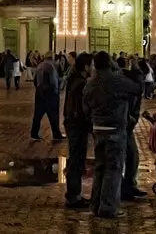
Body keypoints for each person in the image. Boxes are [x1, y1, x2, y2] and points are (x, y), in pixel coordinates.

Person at [83, 51, 141, 219]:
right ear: (109, 63)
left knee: (100, 167)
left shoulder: (91, 83)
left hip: (98, 129)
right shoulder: (116, 80)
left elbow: (85, 105)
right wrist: (135, 67)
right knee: (113, 169)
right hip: (115, 128)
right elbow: (137, 88)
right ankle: (108, 206)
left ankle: (95, 205)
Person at [63, 52, 93, 208]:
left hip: (73, 123)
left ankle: (75, 193)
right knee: (76, 159)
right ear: (86, 67)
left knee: (77, 158)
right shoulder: (80, 83)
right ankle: (73, 195)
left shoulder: (75, 80)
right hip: (77, 125)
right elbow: (79, 107)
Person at [118, 56, 146, 200]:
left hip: (127, 124)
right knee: (124, 156)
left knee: (132, 156)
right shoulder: (126, 81)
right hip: (122, 124)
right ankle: (123, 188)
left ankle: (129, 185)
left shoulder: (132, 81)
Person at [31, 52, 65, 141]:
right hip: (50, 93)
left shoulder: (40, 66)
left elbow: (35, 80)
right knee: (53, 114)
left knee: (37, 115)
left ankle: (34, 133)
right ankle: (56, 134)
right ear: (52, 57)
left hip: (39, 93)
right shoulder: (53, 65)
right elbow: (54, 80)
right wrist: (56, 91)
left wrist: (38, 89)